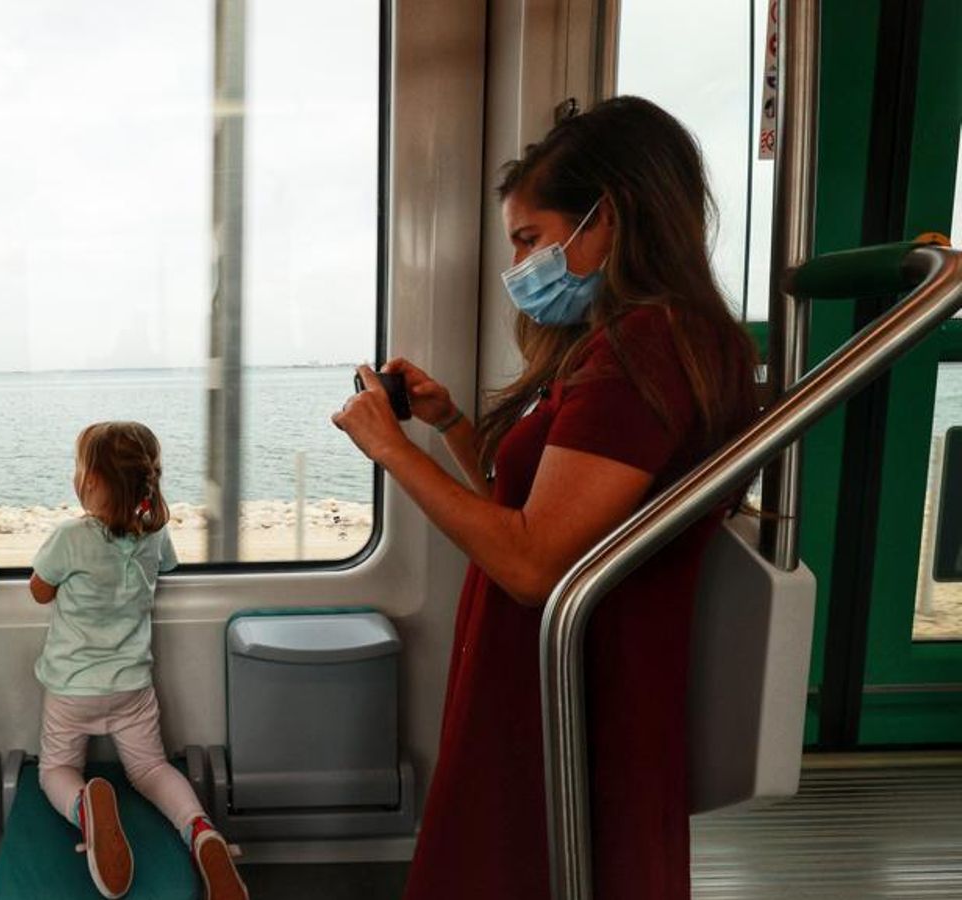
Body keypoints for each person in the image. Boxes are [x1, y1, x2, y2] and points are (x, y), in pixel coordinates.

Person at [331, 96, 758, 900]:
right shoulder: (645, 342)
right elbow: (530, 509)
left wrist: (389, 452)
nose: (521, 265)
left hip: (574, 692)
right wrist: (450, 424)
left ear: (610, 217)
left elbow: (531, 562)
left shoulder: (644, 350)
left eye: (531, 238)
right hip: (562, 675)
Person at [29, 422, 248, 900]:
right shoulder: (155, 533)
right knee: (150, 769)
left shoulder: (70, 537)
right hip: (132, 685)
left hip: (72, 687)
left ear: (90, 481)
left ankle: (86, 807)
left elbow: (39, 590)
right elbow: (167, 566)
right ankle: (200, 832)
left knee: (55, 771)